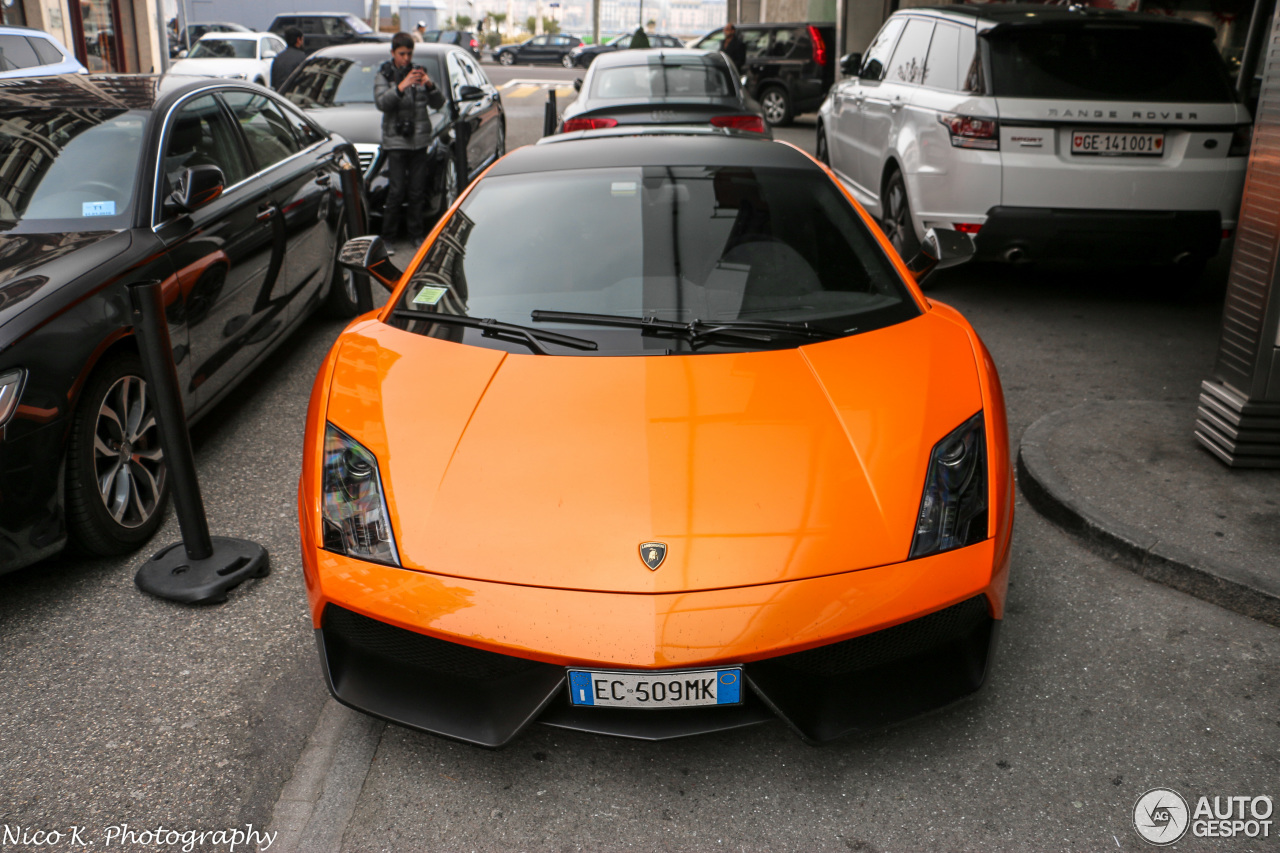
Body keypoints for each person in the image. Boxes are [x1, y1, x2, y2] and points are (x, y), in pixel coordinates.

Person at [374, 32, 446, 246]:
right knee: (396, 191)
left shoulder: (419, 73)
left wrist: (430, 85)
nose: (406, 58)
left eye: (409, 53)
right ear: (393, 53)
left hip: (419, 140)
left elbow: (438, 103)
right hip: (396, 141)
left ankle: (416, 235)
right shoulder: (384, 75)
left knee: (417, 190)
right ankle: (388, 237)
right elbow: (382, 104)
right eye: (401, 53)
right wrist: (400, 86)